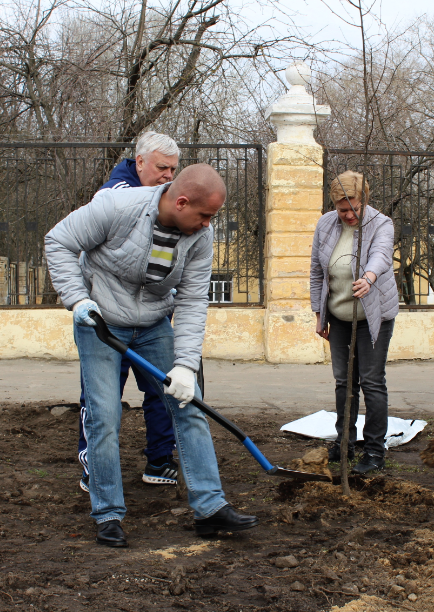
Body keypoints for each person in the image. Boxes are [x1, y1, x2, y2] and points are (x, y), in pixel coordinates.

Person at [46, 164, 258, 547]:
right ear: (180, 201)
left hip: (154, 323)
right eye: (205, 215)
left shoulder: (200, 239)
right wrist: (77, 300)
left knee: (188, 403)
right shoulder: (116, 207)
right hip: (100, 322)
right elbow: (58, 241)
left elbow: (193, 301)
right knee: (104, 416)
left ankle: (210, 508)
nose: (209, 225)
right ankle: (108, 513)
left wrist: (185, 365)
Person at [76, 132, 184, 494]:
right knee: (101, 398)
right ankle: (96, 466)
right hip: (106, 319)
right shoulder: (114, 195)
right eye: (161, 167)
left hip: (151, 317)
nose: (168, 175)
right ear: (140, 162)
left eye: (173, 168)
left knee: (164, 389)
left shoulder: (168, 196)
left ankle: (159, 459)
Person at [310, 171, 400, 474]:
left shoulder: (381, 223)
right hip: (339, 316)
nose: (348, 215)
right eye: (342, 209)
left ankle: (374, 450)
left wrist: (369, 278)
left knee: (372, 382)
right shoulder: (326, 224)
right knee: (343, 382)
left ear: (365, 201)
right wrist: (319, 314)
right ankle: (344, 442)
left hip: (373, 315)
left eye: (354, 208)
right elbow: (317, 271)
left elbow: (381, 255)